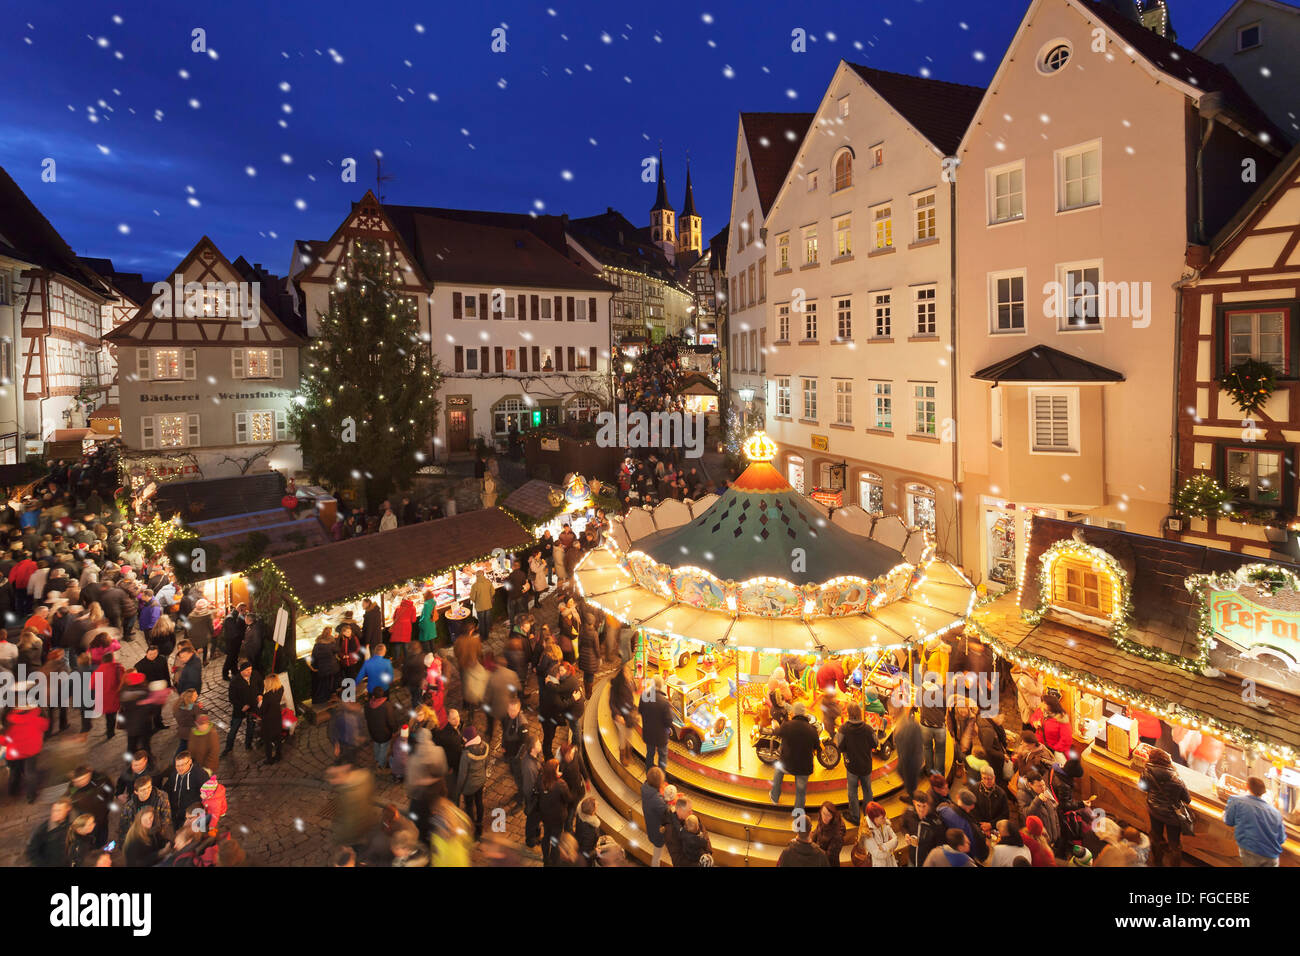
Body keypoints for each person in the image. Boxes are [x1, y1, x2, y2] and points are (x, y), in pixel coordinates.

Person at [1140, 748, 1191, 867]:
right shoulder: (1177, 779)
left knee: (1156, 837)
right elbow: (1187, 799)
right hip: (1172, 817)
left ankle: (1156, 862)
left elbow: (1142, 787)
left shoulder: (1146, 772)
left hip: (1154, 811)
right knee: (1175, 845)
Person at [769, 701, 819, 815]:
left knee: (778, 771)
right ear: (805, 714)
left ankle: (774, 796)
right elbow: (817, 746)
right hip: (804, 766)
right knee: (801, 792)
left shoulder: (787, 725)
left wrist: (776, 725)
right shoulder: (812, 729)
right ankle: (798, 816)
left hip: (787, 763)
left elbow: (777, 732)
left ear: (794, 713)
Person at [1224, 775, 1285, 867]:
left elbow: (1229, 821)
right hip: (1272, 856)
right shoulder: (1276, 813)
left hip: (1251, 851)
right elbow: (1281, 839)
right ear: (1263, 792)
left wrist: (1223, 815)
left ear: (1247, 786)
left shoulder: (1236, 801)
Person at [836, 701, 877, 825]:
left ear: (848, 713)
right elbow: (875, 744)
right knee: (867, 789)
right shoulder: (868, 728)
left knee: (852, 791)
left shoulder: (843, 729)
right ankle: (869, 814)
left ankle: (855, 816)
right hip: (866, 764)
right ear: (860, 713)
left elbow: (839, 746)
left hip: (851, 766)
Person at [456, 723, 489, 840]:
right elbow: (486, 765)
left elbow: (462, 775)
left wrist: (458, 790)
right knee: (479, 802)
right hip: (480, 781)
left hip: (469, 786)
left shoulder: (466, 755)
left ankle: (473, 829)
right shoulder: (485, 747)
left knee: (469, 806)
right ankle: (479, 824)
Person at [222, 659, 260, 754]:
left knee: (251, 727)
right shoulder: (235, 682)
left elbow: (261, 684)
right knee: (234, 728)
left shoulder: (255, 675)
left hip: (253, 707)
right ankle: (228, 747)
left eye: (250, 669)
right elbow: (232, 698)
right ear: (241, 670)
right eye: (247, 670)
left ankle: (248, 744)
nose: (249, 672)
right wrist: (242, 706)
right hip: (240, 709)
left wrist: (260, 694)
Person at [539, 758, 571, 866]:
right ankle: (553, 860)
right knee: (555, 839)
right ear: (554, 771)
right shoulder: (560, 784)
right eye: (557, 769)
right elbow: (568, 798)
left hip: (545, 816)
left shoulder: (541, 781)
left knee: (546, 835)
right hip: (557, 817)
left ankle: (545, 858)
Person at [899, 789, 944, 866]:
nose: (921, 810)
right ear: (914, 803)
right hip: (912, 859)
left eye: (924, 806)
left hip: (928, 862)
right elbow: (903, 825)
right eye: (918, 805)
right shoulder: (909, 812)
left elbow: (941, 843)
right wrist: (906, 834)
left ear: (928, 805)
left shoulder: (935, 821)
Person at [26, 797, 73, 866]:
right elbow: (32, 852)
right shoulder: (43, 829)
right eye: (54, 810)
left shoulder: (71, 823)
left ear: (68, 809)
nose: (55, 813)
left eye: (59, 810)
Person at [639, 675, 672, 772]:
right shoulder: (664, 702)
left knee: (650, 753)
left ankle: (648, 770)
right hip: (661, 736)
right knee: (662, 756)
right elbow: (668, 721)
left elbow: (640, 711)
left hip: (648, 733)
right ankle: (661, 777)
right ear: (661, 686)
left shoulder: (644, 696)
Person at [640, 766, 669, 867]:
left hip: (652, 827)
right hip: (658, 833)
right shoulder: (657, 800)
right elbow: (667, 812)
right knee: (657, 856)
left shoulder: (645, 787)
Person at [857, 802, 899, 867]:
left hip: (891, 862)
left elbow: (896, 840)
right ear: (875, 819)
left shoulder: (884, 823)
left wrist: (884, 846)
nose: (885, 819)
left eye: (884, 816)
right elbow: (878, 854)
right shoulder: (867, 833)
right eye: (882, 818)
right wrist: (891, 848)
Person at [892, 711, 924, 799]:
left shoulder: (906, 729)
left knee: (910, 781)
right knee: (905, 776)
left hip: (910, 762)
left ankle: (913, 799)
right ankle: (911, 795)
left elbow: (905, 751)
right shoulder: (911, 725)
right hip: (913, 759)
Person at [520, 735, 543, 849]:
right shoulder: (529, 767)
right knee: (532, 820)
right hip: (533, 800)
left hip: (537, 798)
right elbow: (528, 788)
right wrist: (532, 801)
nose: (540, 744)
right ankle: (530, 840)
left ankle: (536, 836)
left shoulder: (535, 757)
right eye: (538, 743)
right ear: (533, 748)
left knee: (536, 820)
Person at [812, 800, 846, 867]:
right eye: (823, 813)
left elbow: (830, 856)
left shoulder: (838, 834)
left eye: (828, 815)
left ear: (833, 816)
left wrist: (813, 848)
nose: (825, 817)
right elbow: (816, 832)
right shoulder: (822, 820)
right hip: (818, 857)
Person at [470, 570, 494, 639]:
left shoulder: (474, 586)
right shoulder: (488, 582)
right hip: (488, 605)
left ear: (476, 576)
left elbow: (472, 597)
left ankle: (483, 637)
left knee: (481, 622)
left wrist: (477, 601)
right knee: (487, 621)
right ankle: (487, 635)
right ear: (483, 575)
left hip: (480, 607)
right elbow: (492, 592)